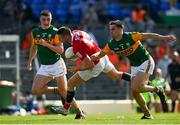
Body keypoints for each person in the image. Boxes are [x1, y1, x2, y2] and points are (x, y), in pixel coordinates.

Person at [91, 20, 176, 119]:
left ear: (120, 29)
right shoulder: (112, 44)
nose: (111, 31)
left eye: (113, 29)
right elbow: (101, 53)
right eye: (110, 29)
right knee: (135, 91)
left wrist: (164, 37)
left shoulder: (131, 36)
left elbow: (148, 35)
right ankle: (147, 114)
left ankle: (157, 90)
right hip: (135, 66)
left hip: (146, 61)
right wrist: (94, 56)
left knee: (137, 87)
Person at [52, 26, 132, 115]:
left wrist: (77, 68)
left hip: (96, 64)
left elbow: (90, 65)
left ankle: (66, 109)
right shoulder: (77, 32)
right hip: (101, 56)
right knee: (117, 75)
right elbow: (86, 47)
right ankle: (138, 80)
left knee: (70, 83)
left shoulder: (77, 46)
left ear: (65, 36)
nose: (59, 39)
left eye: (60, 37)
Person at [26, 10, 85, 119]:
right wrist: (30, 61)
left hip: (57, 64)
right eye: (44, 19)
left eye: (48, 19)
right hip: (45, 66)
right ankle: (56, 90)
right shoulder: (35, 32)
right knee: (35, 90)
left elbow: (60, 50)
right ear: (40, 19)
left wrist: (46, 44)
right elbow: (34, 47)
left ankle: (79, 112)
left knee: (65, 93)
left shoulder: (55, 32)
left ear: (51, 19)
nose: (46, 21)